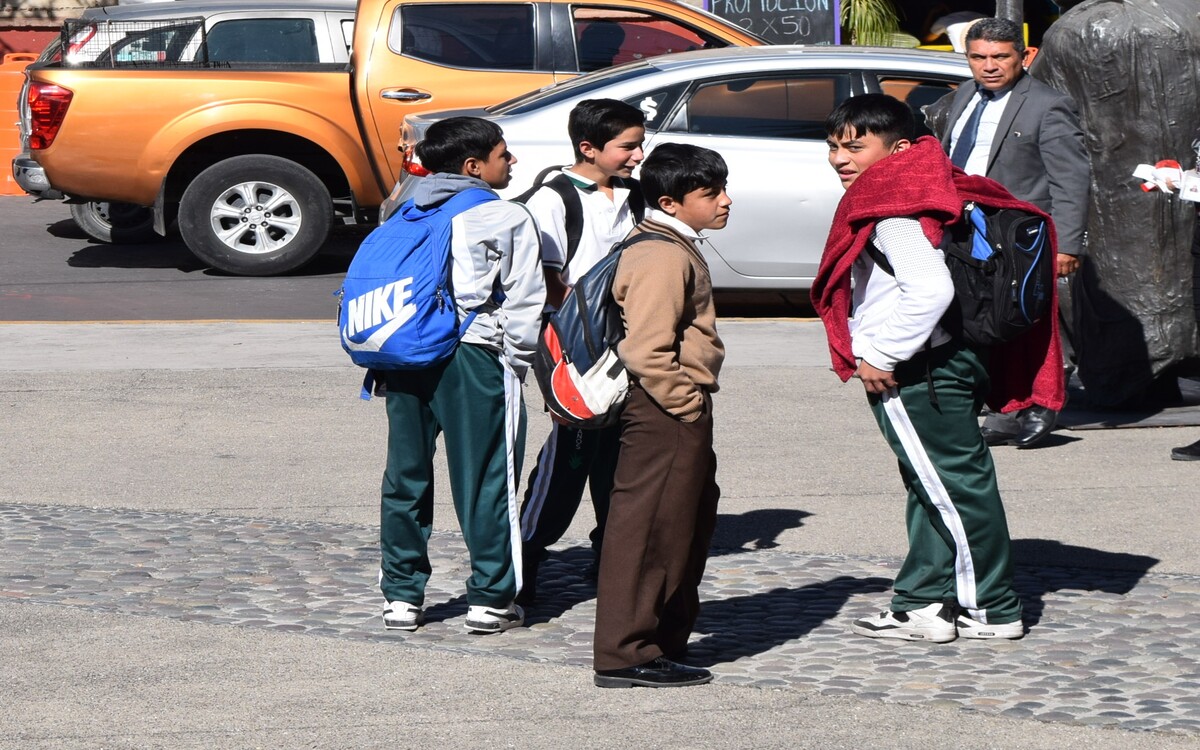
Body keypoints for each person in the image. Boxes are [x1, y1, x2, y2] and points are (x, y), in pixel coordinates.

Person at [812, 94, 1063, 643]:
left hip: (920, 370)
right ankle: (922, 602)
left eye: (855, 146)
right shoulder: (936, 184)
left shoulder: (893, 205)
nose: (840, 158)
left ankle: (992, 608)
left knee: (957, 487)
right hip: (953, 359)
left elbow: (929, 288)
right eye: (833, 146)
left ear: (898, 149)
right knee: (933, 485)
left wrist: (881, 352)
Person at [378, 117, 546, 634]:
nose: (511, 161)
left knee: (405, 475)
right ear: (473, 166)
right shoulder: (503, 215)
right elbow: (524, 299)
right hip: (472, 355)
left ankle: (402, 597)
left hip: (403, 353)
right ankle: (490, 599)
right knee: (486, 478)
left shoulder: (401, 207)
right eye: (503, 153)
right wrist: (516, 361)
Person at [592, 143, 728, 687]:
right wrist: (687, 405)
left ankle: (659, 642)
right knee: (648, 530)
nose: (725, 201)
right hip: (664, 407)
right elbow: (646, 349)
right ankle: (626, 654)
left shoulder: (670, 243)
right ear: (670, 202)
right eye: (711, 193)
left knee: (683, 525)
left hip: (671, 406)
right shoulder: (661, 253)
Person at [936, 17, 1091, 449]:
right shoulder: (964, 95)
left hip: (1024, 236)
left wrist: (1068, 244)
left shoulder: (1048, 104)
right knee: (984, 319)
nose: (988, 66)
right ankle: (1004, 406)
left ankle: (1043, 403)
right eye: (978, 57)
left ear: (1025, 56)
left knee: (1032, 320)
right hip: (968, 228)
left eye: (1000, 57)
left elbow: (1071, 179)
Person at [517, 99, 645, 604]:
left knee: (617, 455)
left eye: (639, 144)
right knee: (569, 452)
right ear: (588, 148)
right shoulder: (552, 200)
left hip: (625, 342)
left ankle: (611, 556)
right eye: (628, 146)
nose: (638, 155)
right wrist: (578, 339)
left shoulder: (637, 196)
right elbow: (546, 280)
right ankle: (525, 558)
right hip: (572, 347)